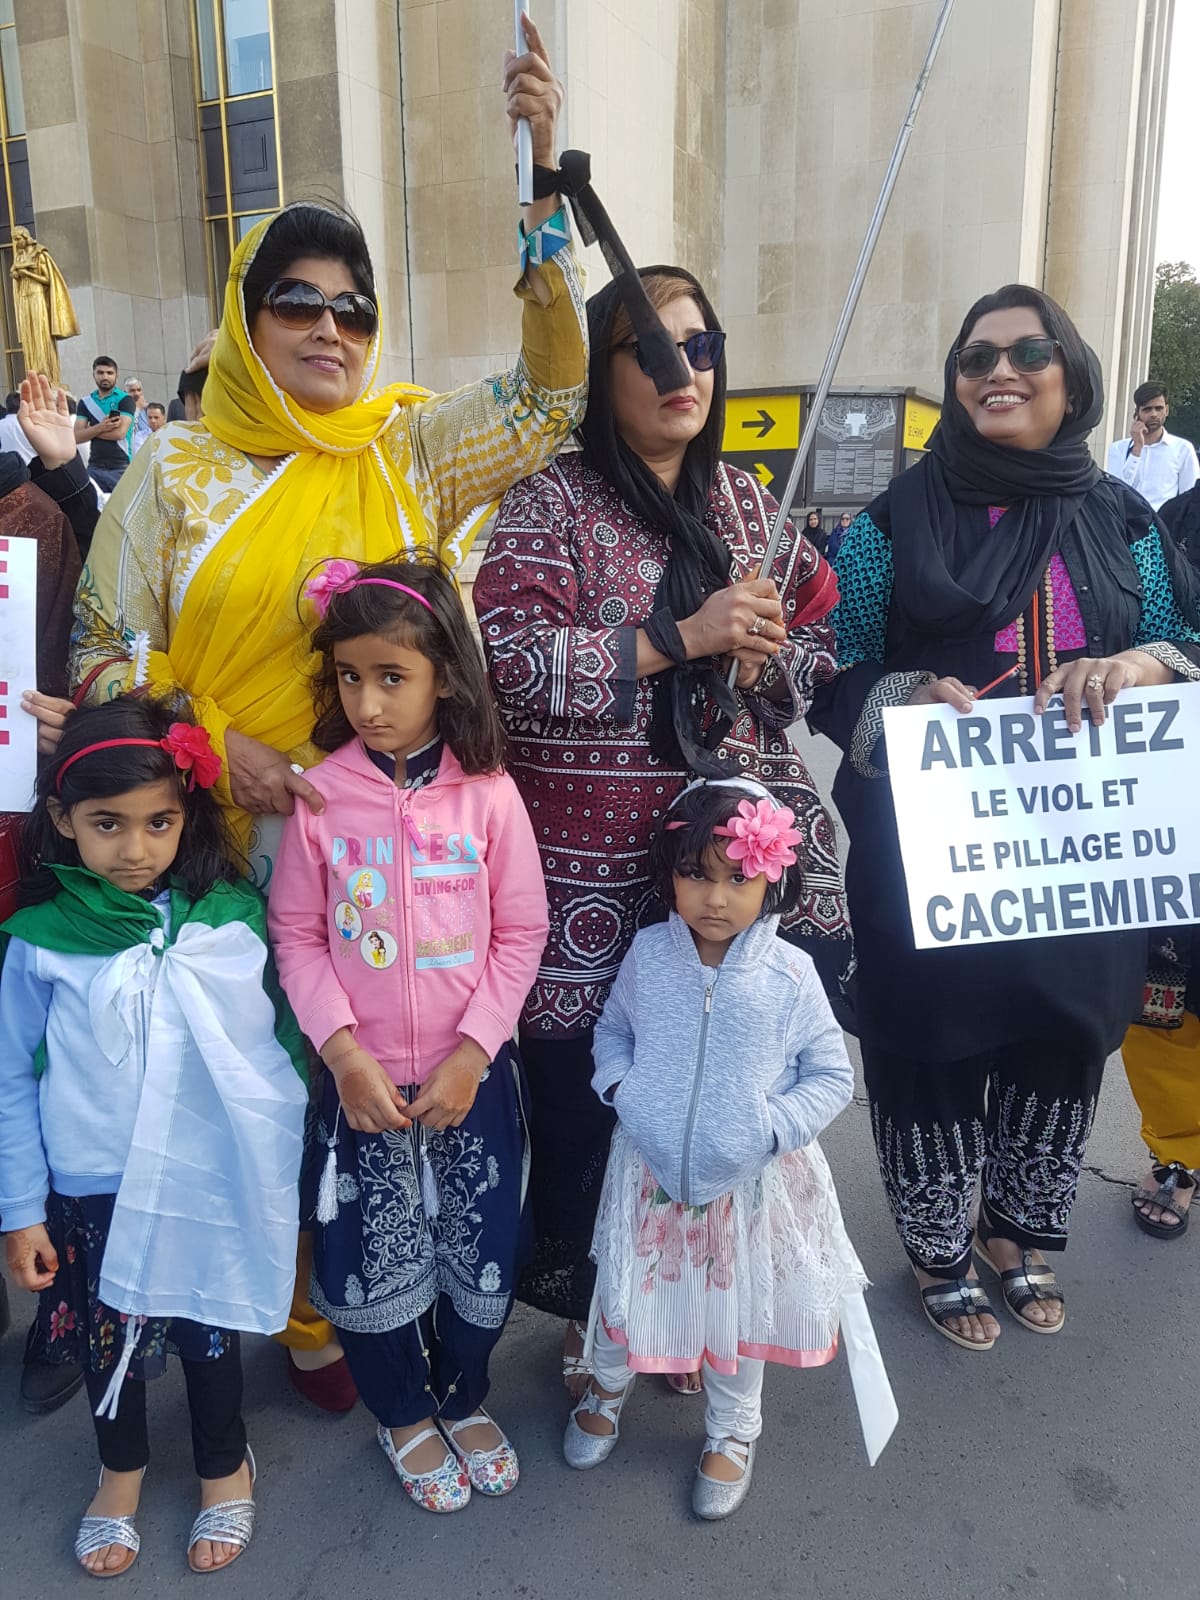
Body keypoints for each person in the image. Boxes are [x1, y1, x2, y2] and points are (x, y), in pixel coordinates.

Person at [69, 19, 585, 1410]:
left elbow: (550, 398)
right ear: (249, 317)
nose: (332, 329)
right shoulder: (171, 473)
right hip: (223, 853)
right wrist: (213, 753)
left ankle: (375, 1302)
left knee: (393, 1080)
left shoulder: (409, 445)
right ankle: (286, 1313)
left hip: (396, 853)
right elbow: (104, 655)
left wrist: (544, 175)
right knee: (273, 1099)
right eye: (298, 301)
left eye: (353, 305)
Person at [473, 265, 850, 1399]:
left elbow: (811, 660)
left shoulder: (749, 505)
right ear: (602, 370)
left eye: (699, 343)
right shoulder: (552, 503)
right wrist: (676, 636)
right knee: (597, 1105)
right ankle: (605, 1312)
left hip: (729, 874)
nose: (681, 369)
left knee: (724, 1101)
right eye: (649, 347)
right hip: (587, 876)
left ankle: (698, 1303)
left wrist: (768, 655)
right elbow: (504, 664)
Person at [810, 284, 1200, 1351]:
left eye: (1029, 351)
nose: (1000, 370)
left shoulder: (1122, 518)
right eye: (975, 355)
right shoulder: (894, 523)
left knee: (1062, 1041)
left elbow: (1188, 648)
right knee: (932, 1044)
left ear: (1071, 375)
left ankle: (1017, 1233)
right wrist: (906, 695)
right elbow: (830, 667)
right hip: (932, 854)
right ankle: (939, 1245)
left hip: (1083, 854)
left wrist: (1139, 660)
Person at [0, 697, 309, 1577]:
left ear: (188, 816)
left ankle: (223, 1463)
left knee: (210, 1333)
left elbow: (271, 1049)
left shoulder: (226, 922)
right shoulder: (43, 943)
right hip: (92, 1185)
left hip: (204, 1174)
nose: (135, 848)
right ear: (62, 821)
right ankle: (121, 1471)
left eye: (158, 822)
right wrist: (20, 1211)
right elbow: (9, 1080)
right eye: (107, 824)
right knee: (110, 1342)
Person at [269, 556, 547, 1513]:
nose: (369, 702)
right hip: (362, 1087)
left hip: (473, 1080)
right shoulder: (320, 797)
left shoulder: (489, 792)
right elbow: (298, 936)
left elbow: (522, 932)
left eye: (393, 677)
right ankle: (400, 1412)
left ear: (445, 676)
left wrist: (475, 1051)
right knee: (364, 1251)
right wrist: (342, 1055)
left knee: (480, 1241)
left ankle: (464, 1394)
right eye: (350, 677)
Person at [564, 778, 894, 1519]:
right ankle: (607, 1386)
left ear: (772, 877)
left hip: (751, 1184)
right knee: (627, 1292)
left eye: (737, 878)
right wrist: (624, 1092)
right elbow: (613, 1033)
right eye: (695, 875)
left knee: (735, 1312)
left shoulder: (791, 974)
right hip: (648, 1175)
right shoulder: (649, 957)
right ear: (670, 876)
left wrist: (771, 1129)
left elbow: (831, 1073)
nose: (715, 897)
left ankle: (733, 1428)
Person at [1105, 381, 1199, 511]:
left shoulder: (1182, 449)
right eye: (1147, 409)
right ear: (1137, 413)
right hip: (1126, 524)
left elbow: (1190, 496)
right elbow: (1115, 491)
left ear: (1167, 410)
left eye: (1158, 408)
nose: (1154, 414)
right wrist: (1136, 449)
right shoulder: (1118, 449)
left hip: (1164, 524)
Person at [74, 357, 135, 494]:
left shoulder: (125, 399)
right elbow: (76, 437)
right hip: (94, 466)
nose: (105, 376)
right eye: (100, 373)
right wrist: (102, 426)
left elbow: (119, 434)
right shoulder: (86, 402)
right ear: (94, 375)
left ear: (116, 375)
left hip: (120, 466)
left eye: (109, 373)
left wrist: (89, 431)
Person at [124, 377, 152, 452]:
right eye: (132, 391)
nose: (136, 394)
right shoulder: (123, 409)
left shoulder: (148, 409)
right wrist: (137, 409)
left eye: (139, 390)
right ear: (125, 393)